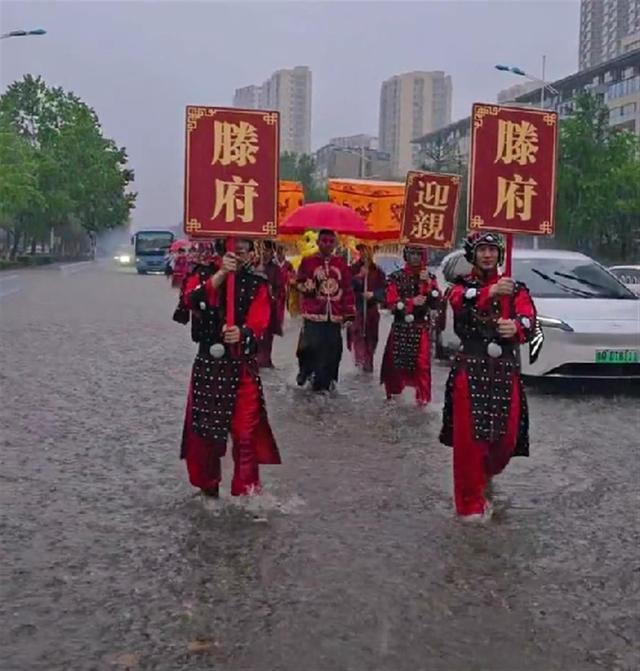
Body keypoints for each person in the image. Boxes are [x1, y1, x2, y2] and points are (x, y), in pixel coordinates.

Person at [439, 231, 537, 522]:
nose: (487, 255)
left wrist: (517, 329)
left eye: (492, 250)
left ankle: (486, 474)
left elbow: (530, 319)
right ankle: (470, 511)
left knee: (505, 441)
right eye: (482, 249)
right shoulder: (460, 287)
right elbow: (459, 302)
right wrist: (489, 293)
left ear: (499, 254)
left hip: (505, 373)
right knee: (469, 444)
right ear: (473, 254)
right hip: (471, 371)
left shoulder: (516, 289)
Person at [179, 238, 280, 497]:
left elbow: (260, 321)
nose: (239, 255)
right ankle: (208, 488)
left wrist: (243, 332)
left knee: (245, 434)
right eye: (235, 251)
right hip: (209, 368)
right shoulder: (201, 274)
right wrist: (222, 274)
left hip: (242, 368)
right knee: (206, 438)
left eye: (244, 251)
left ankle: (245, 493)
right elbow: (190, 300)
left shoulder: (258, 284)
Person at [380, 245, 441, 405]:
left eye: (419, 253)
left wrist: (428, 283)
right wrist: (409, 302)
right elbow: (389, 302)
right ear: (406, 255)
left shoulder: (430, 278)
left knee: (422, 367)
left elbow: (436, 303)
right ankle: (394, 399)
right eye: (412, 253)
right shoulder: (395, 277)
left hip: (420, 329)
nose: (415, 257)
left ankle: (423, 402)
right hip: (400, 328)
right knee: (394, 366)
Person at [295, 228, 355, 392]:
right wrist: (312, 282)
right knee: (311, 348)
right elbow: (299, 284)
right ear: (318, 242)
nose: (327, 244)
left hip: (334, 316)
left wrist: (349, 313)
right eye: (324, 241)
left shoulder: (341, 264)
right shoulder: (307, 262)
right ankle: (307, 374)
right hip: (314, 315)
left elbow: (347, 289)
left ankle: (327, 382)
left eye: (331, 241)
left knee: (333, 351)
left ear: (335, 243)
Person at [347, 244, 386, 373]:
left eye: (367, 249)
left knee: (371, 338)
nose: (364, 253)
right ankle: (359, 362)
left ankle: (368, 363)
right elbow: (346, 287)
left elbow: (384, 292)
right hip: (357, 309)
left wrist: (373, 295)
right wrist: (359, 277)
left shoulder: (379, 272)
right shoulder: (352, 269)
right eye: (362, 250)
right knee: (357, 335)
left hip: (371, 310)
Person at [255, 241, 285, 369]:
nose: (264, 254)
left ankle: (265, 360)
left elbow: (280, 287)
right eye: (262, 251)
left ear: (272, 252)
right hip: (255, 306)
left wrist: (273, 294)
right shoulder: (254, 266)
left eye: (267, 251)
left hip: (269, 306)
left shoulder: (275, 269)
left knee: (267, 335)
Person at [275, 244, 296, 320]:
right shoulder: (274, 263)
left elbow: (293, 273)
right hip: (275, 287)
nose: (280, 254)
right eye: (279, 252)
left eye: (282, 252)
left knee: (284, 303)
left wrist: (291, 278)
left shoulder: (288, 264)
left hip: (285, 287)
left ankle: (282, 318)